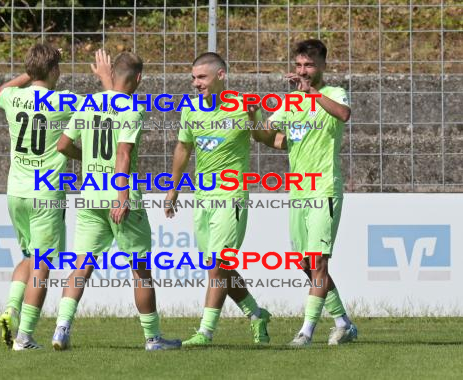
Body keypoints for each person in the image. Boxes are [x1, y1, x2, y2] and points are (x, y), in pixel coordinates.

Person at [53, 51, 181, 351]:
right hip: (120, 198)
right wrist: (121, 197)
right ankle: (153, 338)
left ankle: (61, 329)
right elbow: (123, 155)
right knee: (141, 269)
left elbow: (63, 145)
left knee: (81, 266)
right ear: (138, 78)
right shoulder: (132, 110)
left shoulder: (88, 104)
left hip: (90, 195)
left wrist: (90, 159)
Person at [165, 52, 272, 346]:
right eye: (193, 78)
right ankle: (256, 313)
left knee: (218, 263)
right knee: (220, 268)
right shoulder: (190, 109)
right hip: (203, 198)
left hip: (231, 196)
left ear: (221, 76)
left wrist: (253, 118)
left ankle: (205, 332)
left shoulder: (243, 105)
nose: (195, 83)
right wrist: (173, 188)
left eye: (202, 77)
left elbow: (263, 137)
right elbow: (183, 148)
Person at [0, 43, 87, 350]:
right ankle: (25, 336)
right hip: (45, 193)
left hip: (16, 191)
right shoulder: (65, 100)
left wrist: (31, 72)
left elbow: (0, 92)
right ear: (54, 70)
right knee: (43, 263)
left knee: (27, 256)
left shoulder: (12, 97)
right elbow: (96, 108)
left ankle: (11, 307)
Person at [266, 39, 357, 347]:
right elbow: (275, 139)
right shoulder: (290, 102)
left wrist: (312, 94)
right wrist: (250, 120)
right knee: (306, 264)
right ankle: (343, 322)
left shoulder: (332, 93)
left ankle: (306, 332)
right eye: (299, 65)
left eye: (309, 65)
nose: (303, 71)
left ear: (322, 67)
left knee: (318, 261)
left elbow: (344, 115)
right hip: (298, 192)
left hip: (325, 188)